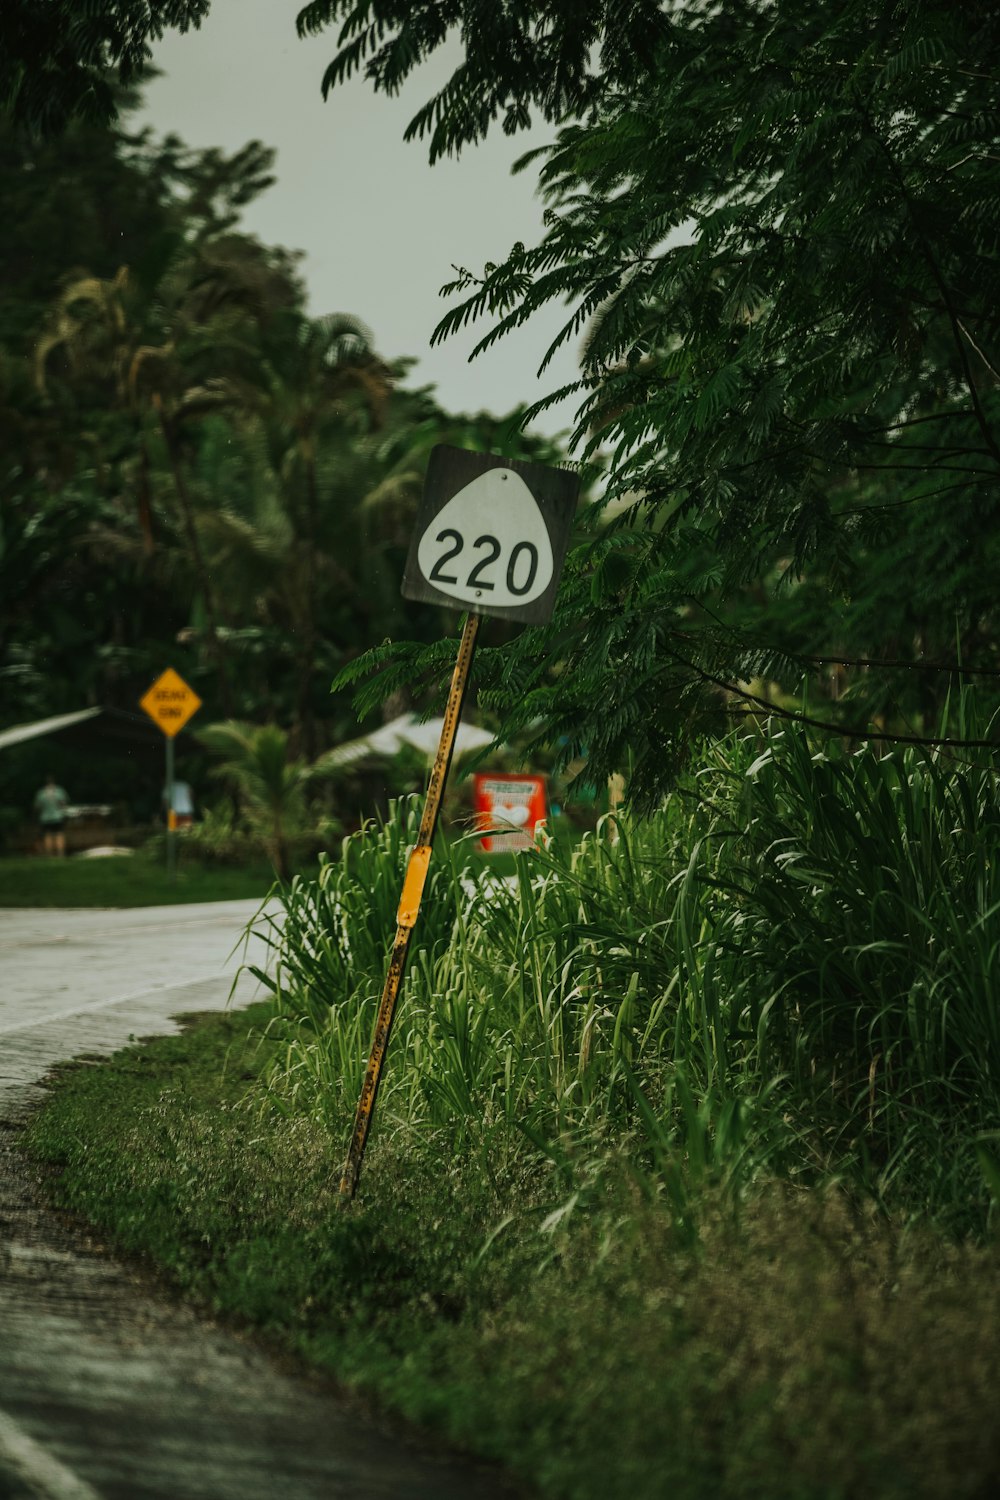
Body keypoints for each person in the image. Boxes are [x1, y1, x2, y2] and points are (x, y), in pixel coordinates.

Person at [34, 774, 69, 856]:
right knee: (59, 835)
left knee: (47, 836)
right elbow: (63, 803)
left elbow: (37, 807)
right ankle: (60, 853)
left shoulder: (41, 793)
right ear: (54, 781)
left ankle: (49, 854)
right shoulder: (59, 791)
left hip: (45, 817)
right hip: (57, 816)